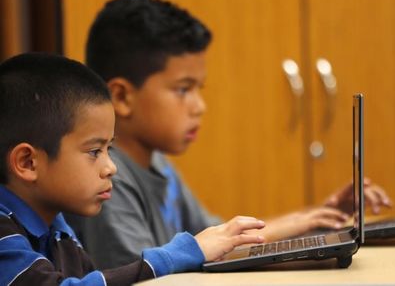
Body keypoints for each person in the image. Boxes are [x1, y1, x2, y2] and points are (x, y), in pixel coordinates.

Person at [66, 0, 392, 269]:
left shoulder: (157, 163)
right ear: (122, 97)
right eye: (183, 89)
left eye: (198, 89)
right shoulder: (109, 179)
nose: (199, 106)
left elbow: (221, 241)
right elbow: (145, 275)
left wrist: (317, 219)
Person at [0, 52, 266, 286]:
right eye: (95, 152)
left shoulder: (56, 226)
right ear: (28, 162)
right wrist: (180, 253)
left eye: (109, 149)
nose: (111, 168)